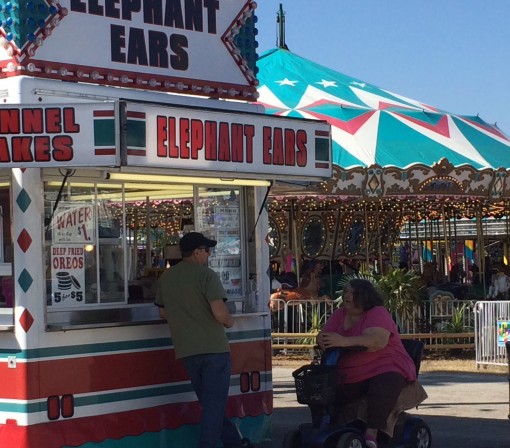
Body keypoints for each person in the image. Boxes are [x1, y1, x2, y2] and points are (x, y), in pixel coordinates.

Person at [155, 232, 241, 448]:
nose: (209, 254)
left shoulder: (167, 277)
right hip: (214, 348)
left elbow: (162, 313)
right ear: (197, 252)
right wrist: (230, 322)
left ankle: (234, 443)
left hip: (186, 349)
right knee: (214, 405)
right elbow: (220, 312)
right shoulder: (207, 275)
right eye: (207, 250)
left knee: (211, 405)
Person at [316, 279, 417, 448]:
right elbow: (325, 334)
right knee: (325, 388)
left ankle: (372, 433)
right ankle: (328, 427)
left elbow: (377, 340)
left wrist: (343, 341)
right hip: (348, 369)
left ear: (364, 295)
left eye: (352, 292)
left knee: (384, 382)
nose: (347, 295)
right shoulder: (339, 314)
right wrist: (321, 339)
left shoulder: (377, 312)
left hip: (384, 363)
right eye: (346, 292)